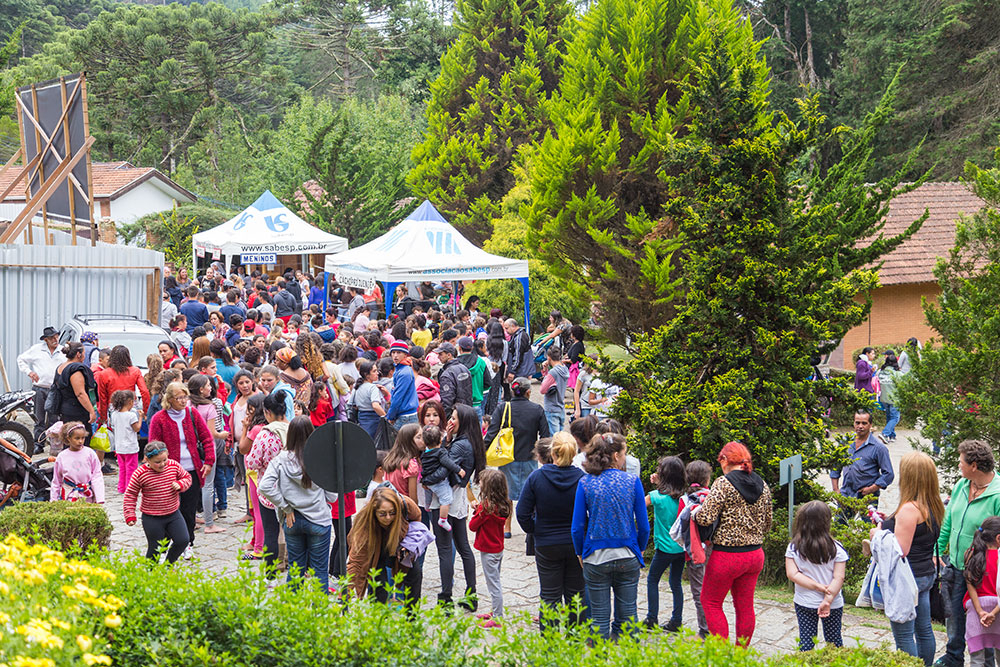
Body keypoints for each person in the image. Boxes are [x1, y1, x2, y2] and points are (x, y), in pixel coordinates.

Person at [571, 432, 649, 640]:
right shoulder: (632, 481)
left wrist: (580, 552)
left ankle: (599, 658)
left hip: (595, 555)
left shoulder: (586, 483)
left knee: (598, 618)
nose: (625, 458)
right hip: (627, 553)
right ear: (615, 456)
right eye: (624, 453)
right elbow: (643, 525)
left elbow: (577, 526)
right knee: (629, 615)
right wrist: (639, 548)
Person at [695, 441, 773, 647]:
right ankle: (740, 655)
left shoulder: (723, 483)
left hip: (727, 557)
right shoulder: (763, 485)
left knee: (710, 602)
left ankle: (722, 655)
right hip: (755, 555)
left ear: (725, 460)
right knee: (745, 606)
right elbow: (767, 524)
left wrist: (695, 511)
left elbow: (705, 518)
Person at [936, 440, 1000, 667]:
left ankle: (986, 663)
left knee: (984, 622)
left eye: (961, 461)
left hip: (982, 573)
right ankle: (953, 658)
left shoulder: (997, 494)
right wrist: (938, 549)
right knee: (953, 617)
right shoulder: (962, 485)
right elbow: (949, 521)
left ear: (974, 465)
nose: (958, 465)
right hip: (955, 565)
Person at [878, 451, 944, 664]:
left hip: (907, 578)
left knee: (904, 633)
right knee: (924, 628)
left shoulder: (909, 509)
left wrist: (878, 534)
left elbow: (900, 550)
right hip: (925, 574)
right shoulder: (934, 505)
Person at [259, 416, 337, 592]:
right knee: (319, 572)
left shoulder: (280, 459)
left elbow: (264, 486)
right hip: (318, 520)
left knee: (295, 570)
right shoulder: (320, 459)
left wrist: (286, 507)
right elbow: (332, 497)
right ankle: (319, 613)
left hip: (292, 520)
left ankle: (293, 612)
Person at [516, 431, 585, 629]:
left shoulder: (537, 477)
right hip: (574, 544)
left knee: (549, 596)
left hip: (546, 542)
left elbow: (522, 512)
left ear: (553, 453)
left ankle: (550, 645)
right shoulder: (581, 479)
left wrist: (536, 530)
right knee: (576, 596)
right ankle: (574, 641)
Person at [148, 381, 215, 560]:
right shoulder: (159, 418)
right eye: (179, 398)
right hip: (168, 472)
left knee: (189, 509)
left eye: (185, 397)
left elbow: (207, 438)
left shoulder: (192, 413)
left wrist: (208, 461)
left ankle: (188, 543)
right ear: (169, 399)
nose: (184, 401)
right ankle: (164, 546)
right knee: (168, 510)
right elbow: (153, 445)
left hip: (192, 470)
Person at [484, 377, 550, 538]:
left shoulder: (503, 408)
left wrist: (481, 452)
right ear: (528, 391)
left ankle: (507, 527)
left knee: (506, 494)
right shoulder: (537, 409)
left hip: (507, 457)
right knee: (531, 493)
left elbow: (491, 433)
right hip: (530, 457)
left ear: (512, 391)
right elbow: (545, 435)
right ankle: (531, 525)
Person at [438, 403, 485, 609]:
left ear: (463, 421)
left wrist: (442, 445)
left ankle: (446, 597)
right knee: (463, 546)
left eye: (454, 418)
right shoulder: (469, 442)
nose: (450, 421)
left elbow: (441, 468)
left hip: (448, 499)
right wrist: (448, 440)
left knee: (446, 549)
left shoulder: (460, 445)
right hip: (458, 498)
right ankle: (471, 595)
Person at [785, 500, 848, 652]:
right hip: (833, 604)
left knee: (806, 642)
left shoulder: (794, 547)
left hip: (805, 602)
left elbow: (792, 574)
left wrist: (816, 586)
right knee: (834, 643)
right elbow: (839, 577)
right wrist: (827, 599)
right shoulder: (836, 548)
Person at [346, 485, 423, 605]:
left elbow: (417, 517)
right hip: (376, 547)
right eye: (382, 514)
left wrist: (409, 541)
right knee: (379, 585)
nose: (388, 518)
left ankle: (412, 620)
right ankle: (378, 619)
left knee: (415, 575)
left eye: (392, 513)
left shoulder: (406, 504)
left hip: (399, 543)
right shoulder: (365, 524)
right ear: (374, 512)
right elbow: (356, 561)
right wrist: (345, 592)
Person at [123, 441, 193, 563]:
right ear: (147, 460)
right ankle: (150, 573)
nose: (162, 464)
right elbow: (131, 494)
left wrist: (181, 484)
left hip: (173, 513)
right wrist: (130, 514)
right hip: (152, 517)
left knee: (183, 540)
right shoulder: (140, 473)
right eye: (157, 462)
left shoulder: (173, 466)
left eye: (164, 460)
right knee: (154, 548)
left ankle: (168, 565)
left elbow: (187, 477)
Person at [245, 391, 290, 574]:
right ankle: (295, 569)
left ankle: (271, 572)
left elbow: (252, 462)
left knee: (271, 533)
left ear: (267, 413)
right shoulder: (296, 429)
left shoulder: (265, 435)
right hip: (292, 490)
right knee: (292, 533)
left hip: (269, 492)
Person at [644, 456, 687, 632]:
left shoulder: (655, 497)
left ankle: (651, 618)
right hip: (681, 547)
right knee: (675, 583)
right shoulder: (684, 497)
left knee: (652, 579)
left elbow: (638, 505)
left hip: (663, 548)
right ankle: (676, 620)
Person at [469, 468, 511, 628]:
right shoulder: (503, 503)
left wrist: (477, 510)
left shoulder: (485, 507)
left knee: (493, 585)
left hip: (488, 550)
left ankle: (498, 617)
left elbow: (473, 526)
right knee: (495, 579)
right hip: (498, 548)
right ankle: (495, 610)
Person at [188, 374, 228, 534]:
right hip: (207, 448)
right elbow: (211, 433)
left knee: (191, 485)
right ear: (201, 389)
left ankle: (191, 518)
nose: (211, 388)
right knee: (208, 486)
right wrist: (223, 434)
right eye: (208, 385)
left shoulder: (187, 405)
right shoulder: (209, 407)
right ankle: (209, 523)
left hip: (191, 449)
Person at [17, 326, 65, 446]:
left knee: (55, 419)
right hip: (40, 388)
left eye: (56, 336)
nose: (55, 339)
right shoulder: (37, 349)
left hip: (56, 389)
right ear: (46, 340)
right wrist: (29, 372)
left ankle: (55, 444)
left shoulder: (63, 350)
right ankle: (39, 443)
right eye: (52, 338)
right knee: (39, 418)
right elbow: (21, 359)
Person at [830, 410, 894, 499]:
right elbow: (835, 466)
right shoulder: (845, 442)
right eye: (857, 423)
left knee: (865, 514)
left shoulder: (879, 448)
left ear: (870, 425)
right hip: (845, 494)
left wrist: (872, 489)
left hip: (867, 497)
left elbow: (888, 474)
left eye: (864, 423)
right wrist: (836, 490)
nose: (860, 426)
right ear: (853, 423)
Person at [682, 460, 713, 638]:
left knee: (699, 591)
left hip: (693, 552)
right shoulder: (713, 497)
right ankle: (714, 623)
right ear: (707, 479)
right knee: (713, 591)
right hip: (713, 549)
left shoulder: (684, 500)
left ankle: (704, 629)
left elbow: (680, 528)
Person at [964, 516, 1000, 667]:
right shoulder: (999, 557)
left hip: (975, 609)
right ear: (998, 538)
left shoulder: (971, 554)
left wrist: (980, 611)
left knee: (977, 660)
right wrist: (993, 613)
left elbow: (970, 583)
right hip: (998, 610)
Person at [420, 425, 464, 532]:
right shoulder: (441, 452)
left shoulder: (424, 454)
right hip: (438, 482)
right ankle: (443, 519)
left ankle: (427, 505)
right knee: (447, 499)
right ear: (440, 439)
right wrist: (458, 470)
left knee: (432, 494)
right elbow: (448, 463)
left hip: (428, 482)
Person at [54, 342, 97, 450]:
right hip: (76, 411)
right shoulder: (75, 370)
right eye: (84, 353)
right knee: (79, 441)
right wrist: (91, 411)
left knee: (68, 439)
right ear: (78, 354)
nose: (84, 355)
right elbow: (80, 393)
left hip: (65, 409)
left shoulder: (61, 367)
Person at [50, 421, 104, 503]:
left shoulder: (90, 453)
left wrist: (99, 498)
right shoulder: (62, 456)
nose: (80, 441)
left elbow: (97, 475)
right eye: (77, 438)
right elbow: (57, 480)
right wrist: (54, 500)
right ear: (68, 438)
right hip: (69, 496)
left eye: (83, 438)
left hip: (87, 496)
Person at [97, 346, 151, 425]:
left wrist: (103, 417)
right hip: (131, 406)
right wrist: (146, 411)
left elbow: (102, 398)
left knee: (115, 434)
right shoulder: (135, 371)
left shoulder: (104, 373)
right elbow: (144, 392)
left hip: (113, 407)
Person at [109, 390, 142, 494]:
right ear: (130, 402)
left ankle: (121, 488)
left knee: (122, 469)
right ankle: (130, 489)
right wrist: (140, 417)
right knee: (131, 469)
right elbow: (136, 428)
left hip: (119, 447)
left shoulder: (114, 414)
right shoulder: (131, 415)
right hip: (131, 447)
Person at [384, 424, 422, 504]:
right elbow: (413, 498)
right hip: (405, 506)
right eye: (418, 437)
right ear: (409, 442)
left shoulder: (391, 458)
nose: (423, 440)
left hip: (391, 503)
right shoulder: (411, 465)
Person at [385, 341, 419, 427]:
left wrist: (390, 416)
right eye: (393, 352)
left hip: (406, 416)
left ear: (405, 355)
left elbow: (398, 396)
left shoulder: (404, 372)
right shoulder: (400, 368)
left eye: (399, 353)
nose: (395, 355)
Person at [456, 336, 490, 420]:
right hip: (476, 402)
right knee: (477, 431)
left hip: (460, 404)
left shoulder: (455, 364)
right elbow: (488, 383)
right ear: (472, 348)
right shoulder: (481, 362)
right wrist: (478, 390)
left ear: (459, 348)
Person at [352, 360, 387, 441]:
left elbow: (351, 403)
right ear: (366, 375)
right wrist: (386, 417)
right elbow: (375, 406)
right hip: (373, 420)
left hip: (361, 418)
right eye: (374, 371)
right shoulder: (373, 388)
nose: (377, 373)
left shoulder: (357, 387)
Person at [540, 347, 569, 436]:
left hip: (552, 408)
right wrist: (546, 370)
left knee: (553, 438)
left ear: (549, 357)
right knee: (559, 438)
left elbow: (542, 389)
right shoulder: (564, 369)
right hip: (560, 406)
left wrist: (546, 373)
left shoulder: (553, 372)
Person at [436, 342, 472, 414]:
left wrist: (445, 419)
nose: (438, 357)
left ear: (449, 355)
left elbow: (447, 400)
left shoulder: (447, 374)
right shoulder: (464, 368)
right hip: (467, 412)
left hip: (454, 415)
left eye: (440, 354)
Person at [878, 353, 903, 444]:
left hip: (884, 398)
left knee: (889, 417)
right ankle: (885, 433)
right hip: (894, 399)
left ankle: (891, 436)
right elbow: (902, 385)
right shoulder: (897, 374)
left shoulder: (881, 372)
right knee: (895, 418)